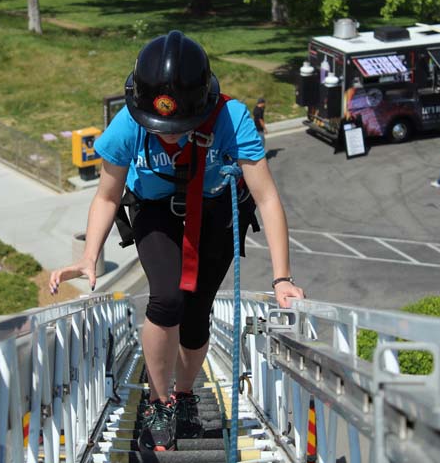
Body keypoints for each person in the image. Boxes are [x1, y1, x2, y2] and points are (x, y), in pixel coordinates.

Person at [48, 31, 304, 452]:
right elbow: (107, 195)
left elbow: (267, 197)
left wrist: (282, 278)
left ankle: (183, 394)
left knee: (198, 311)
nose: (168, 135)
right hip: (155, 212)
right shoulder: (128, 125)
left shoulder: (230, 119)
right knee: (167, 299)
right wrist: (89, 257)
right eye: (160, 127)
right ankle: (158, 400)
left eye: (178, 127)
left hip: (214, 214)